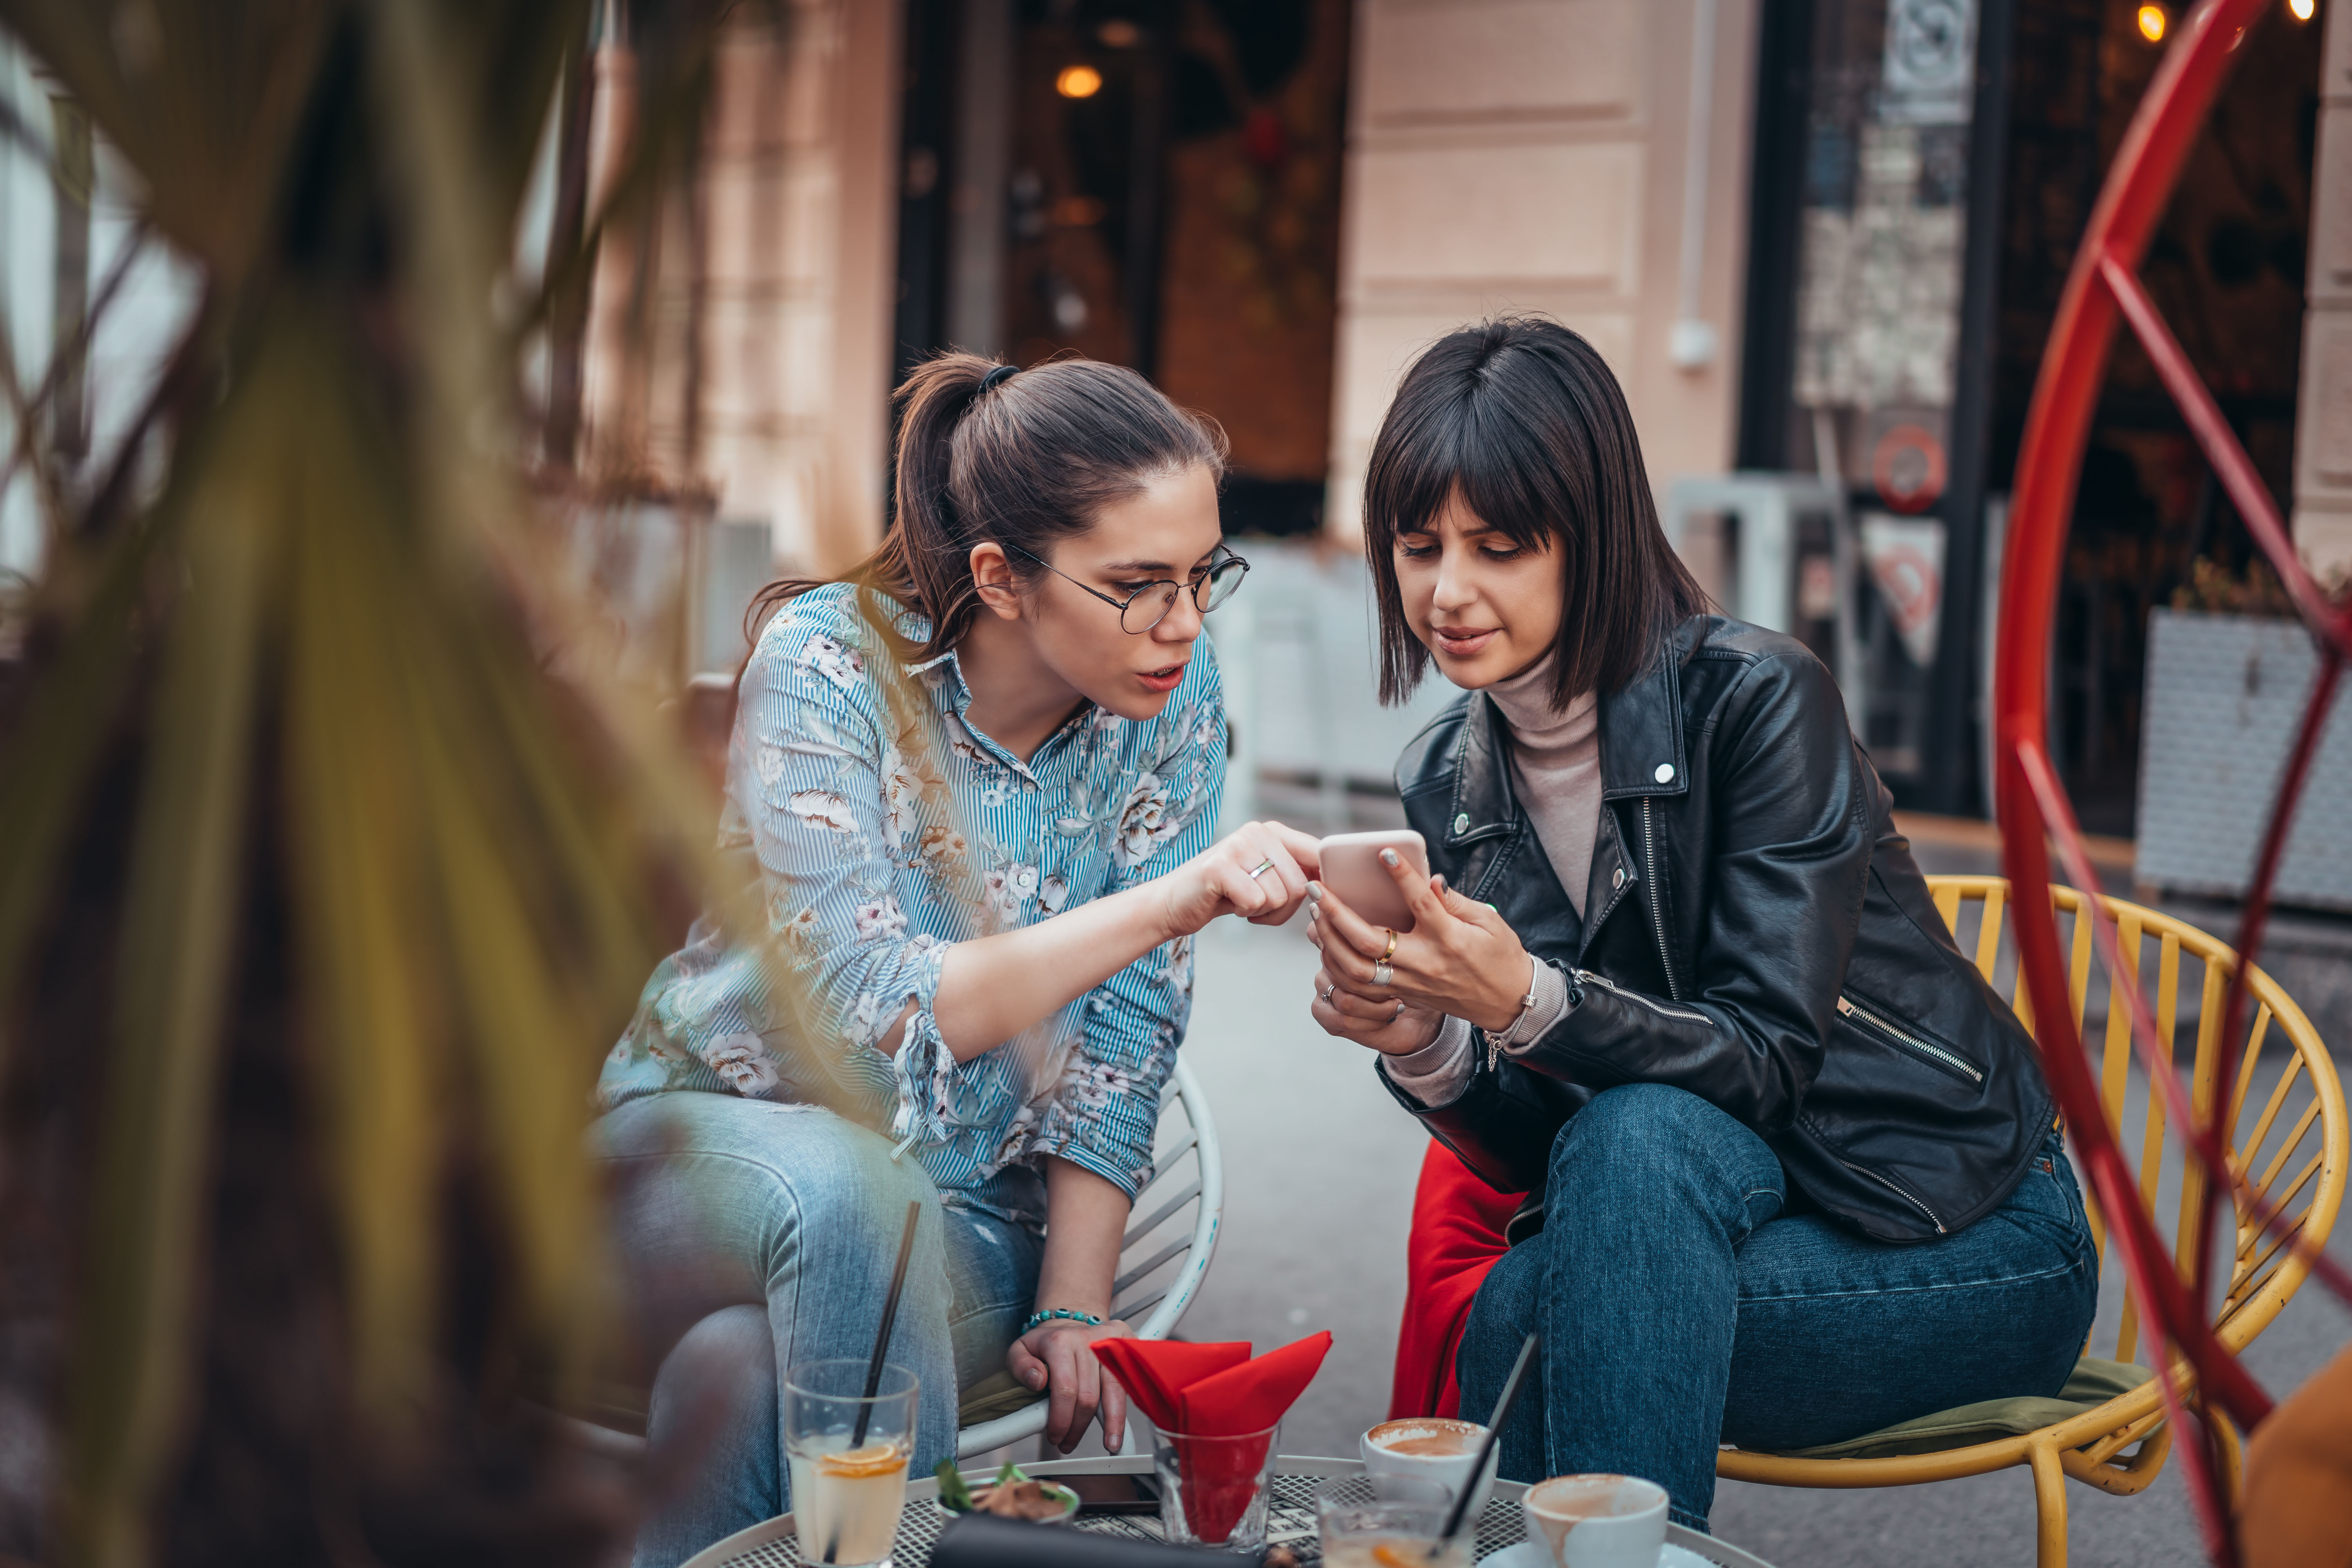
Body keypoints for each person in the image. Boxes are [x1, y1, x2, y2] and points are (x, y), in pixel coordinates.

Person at [1307, 317, 2098, 1531]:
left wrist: (1525, 998)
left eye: (1500, 547)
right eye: (1418, 547)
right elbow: (1546, 1156)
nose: (1447, 592)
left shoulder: (1758, 702)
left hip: (1968, 1235)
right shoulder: (1447, 785)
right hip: (1719, 1211)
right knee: (1592, 1196)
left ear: (1594, 535)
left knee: (1546, 1290)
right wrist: (1428, 1041)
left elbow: (1767, 1058)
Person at [593, 352, 1319, 1567]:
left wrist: (1077, 1302)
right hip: (687, 1157)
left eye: (1204, 576)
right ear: (1001, 578)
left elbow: (1129, 1034)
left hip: (962, 1215)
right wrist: (1176, 899)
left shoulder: (1177, 701)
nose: (1185, 623)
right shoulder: (830, 667)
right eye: (1140, 585)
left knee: (741, 1365)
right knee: (850, 1194)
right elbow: (881, 1000)